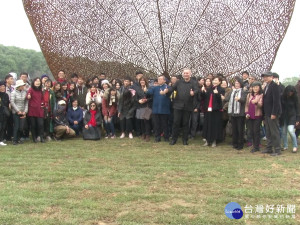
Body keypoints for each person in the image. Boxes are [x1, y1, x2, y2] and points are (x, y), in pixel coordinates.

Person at [161, 68, 199, 145]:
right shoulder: (179, 82)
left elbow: (197, 90)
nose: (186, 74)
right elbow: (172, 88)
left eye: (187, 73)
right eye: (184, 73)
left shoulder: (194, 82)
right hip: (177, 105)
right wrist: (167, 90)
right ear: (183, 74)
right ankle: (174, 139)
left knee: (185, 123)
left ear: (190, 74)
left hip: (188, 105)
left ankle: (185, 140)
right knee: (176, 122)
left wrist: (193, 92)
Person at [261, 71, 282, 156]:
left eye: (267, 76)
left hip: (273, 113)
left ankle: (277, 150)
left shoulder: (274, 86)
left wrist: (274, 113)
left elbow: (276, 101)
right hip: (267, 112)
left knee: (274, 132)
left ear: (271, 77)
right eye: (264, 77)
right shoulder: (266, 86)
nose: (265, 78)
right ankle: (269, 148)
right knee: (268, 132)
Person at [202, 76, 225, 147]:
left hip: (216, 110)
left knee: (215, 125)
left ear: (219, 82)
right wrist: (203, 92)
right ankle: (207, 140)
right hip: (209, 110)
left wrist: (217, 94)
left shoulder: (221, 89)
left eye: (216, 80)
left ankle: (214, 140)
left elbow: (221, 100)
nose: (214, 81)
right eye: (213, 80)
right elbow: (205, 98)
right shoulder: (209, 89)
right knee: (208, 124)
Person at [225, 77, 247, 150]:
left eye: (238, 83)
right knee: (234, 129)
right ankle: (235, 143)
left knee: (240, 129)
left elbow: (244, 100)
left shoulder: (243, 91)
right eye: (236, 83)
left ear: (241, 84)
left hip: (240, 113)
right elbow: (227, 99)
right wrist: (222, 97)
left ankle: (240, 144)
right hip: (233, 113)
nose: (237, 84)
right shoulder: (232, 91)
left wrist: (239, 99)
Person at [147, 75, 171, 142]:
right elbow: (148, 92)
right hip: (156, 109)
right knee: (156, 124)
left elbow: (170, 91)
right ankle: (157, 137)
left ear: (164, 80)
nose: (159, 80)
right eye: (158, 79)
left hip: (164, 109)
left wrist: (166, 91)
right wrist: (146, 89)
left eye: (160, 79)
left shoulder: (167, 87)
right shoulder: (155, 88)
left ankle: (166, 137)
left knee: (165, 124)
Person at [245, 81, 263, 153]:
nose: (255, 88)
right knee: (251, 131)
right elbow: (246, 105)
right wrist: (246, 113)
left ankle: (256, 146)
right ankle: (253, 144)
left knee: (256, 131)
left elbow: (261, 105)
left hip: (257, 115)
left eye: (256, 87)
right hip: (249, 116)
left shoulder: (261, 95)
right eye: (254, 87)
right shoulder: (249, 95)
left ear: (259, 88)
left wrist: (256, 102)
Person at [280, 85, 299, 153]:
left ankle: (295, 146)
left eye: (292, 92)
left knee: (291, 131)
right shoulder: (282, 96)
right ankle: (285, 146)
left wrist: (297, 119)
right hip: (283, 116)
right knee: (284, 132)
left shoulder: (295, 97)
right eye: (289, 92)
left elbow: (297, 108)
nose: (291, 93)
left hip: (292, 116)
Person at [27, 77, 45, 143]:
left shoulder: (40, 90)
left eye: (39, 81)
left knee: (41, 124)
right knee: (33, 125)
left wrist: (42, 104)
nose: (38, 82)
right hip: (32, 110)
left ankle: (41, 137)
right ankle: (34, 138)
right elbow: (28, 96)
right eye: (36, 81)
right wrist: (28, 96)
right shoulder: (31, 89)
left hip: (39, 110)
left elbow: (42, 99)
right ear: (33, 82)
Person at [10, 80, 28, 145]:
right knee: (16, 126)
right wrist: (18, 111)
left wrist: (25, 111)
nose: (23, 86)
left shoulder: (25, 92)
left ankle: (19, 138)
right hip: (16, 112)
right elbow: (12, 102)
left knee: (21, 127)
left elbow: (26, 102)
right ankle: (15, 140)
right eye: (22, 85)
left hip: (23, 111)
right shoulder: (13, 92)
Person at [135, 77, 152, 141]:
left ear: (145, 81)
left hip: (147, 106)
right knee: (141, 121)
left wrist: (146, 99)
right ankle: (143, 133)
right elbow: (135, 98)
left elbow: (151, 98)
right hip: (140, 106)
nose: (142, 82)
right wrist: (138, 101)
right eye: (141, 80)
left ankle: (147, 134)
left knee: (146, 121)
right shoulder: (138, 89)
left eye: (143, 80)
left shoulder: (149, 88)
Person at [0, 81, 10, 146]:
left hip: (4, 113)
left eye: (4, 86)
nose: (3, 87)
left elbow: (7, 104)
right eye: (1, 86)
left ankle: (1, 139)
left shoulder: (6, 95)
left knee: (3, 127)